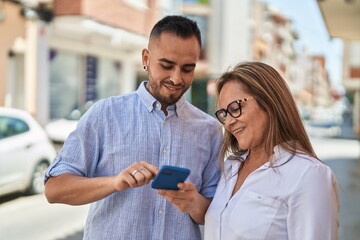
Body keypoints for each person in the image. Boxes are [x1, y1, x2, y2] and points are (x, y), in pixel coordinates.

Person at [44, 15, 223, 240]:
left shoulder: (210, 130)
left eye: (187, 69)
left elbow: (217, 215)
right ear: (146, 58)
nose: (176, 78)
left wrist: (193, 202)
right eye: (166, 65)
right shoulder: (105, 114)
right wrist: (115, 182)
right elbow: (54, 189)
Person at [204, 61, 339, 240]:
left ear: (268, 102)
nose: (228, 122)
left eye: (235, 109)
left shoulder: (309, 174)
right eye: (223, 114)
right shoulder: (231, 167)